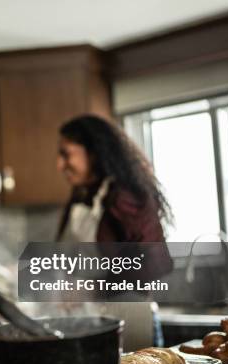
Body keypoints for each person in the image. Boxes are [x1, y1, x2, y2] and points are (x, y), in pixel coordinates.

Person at [55, 114, 173, 349]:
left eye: (66, 154)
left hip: (130, 321)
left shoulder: (125, 197)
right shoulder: (86, 195)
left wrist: (92, 288)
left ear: (94, 152)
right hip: (92, 324)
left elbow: (154, 264)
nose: (59, 165)